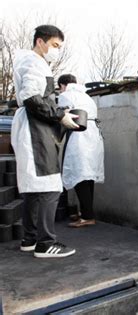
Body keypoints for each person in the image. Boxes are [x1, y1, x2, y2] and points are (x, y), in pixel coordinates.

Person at [11, 25, 78, 258]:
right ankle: (45, 243)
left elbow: (33, 97)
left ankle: (29, 239)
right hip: (35, 130)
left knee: (33, 187)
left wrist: (59, 110)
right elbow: (31, 97)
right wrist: (61, 116)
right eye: (55, 45)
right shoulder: (34, 63)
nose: (57, 51)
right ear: (41, 42)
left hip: (30, 127)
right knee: (50, 186)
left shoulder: (28, 62)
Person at [57, 74, 105, 228]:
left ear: (63, 85)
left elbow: (62, 118)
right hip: (94, 136)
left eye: (59, 87)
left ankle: (87, 216)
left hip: (79, 136)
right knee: (88, 176)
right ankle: (86, 213)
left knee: (79, 175)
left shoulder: (65, 96)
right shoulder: (87, 97)